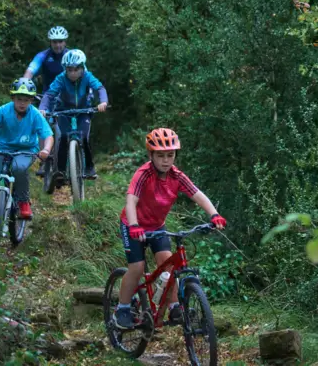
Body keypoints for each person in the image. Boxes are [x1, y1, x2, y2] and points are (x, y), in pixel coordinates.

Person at [112, 128, 227, 330]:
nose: (166, 160)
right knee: (137, 268)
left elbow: (197, 194)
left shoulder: (177, 176)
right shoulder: (143, 174)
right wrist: (134, 225)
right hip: (133, 225)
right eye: (160, 155)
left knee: (169, 265)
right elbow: (131, 201)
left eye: (170, 155)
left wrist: (214, 214)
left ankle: (175, 306)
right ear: (151, 155)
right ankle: (122, 309)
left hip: (157, 227)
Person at [0, 78, 53, 219]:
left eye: (26, 100)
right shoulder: (3, 111)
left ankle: (23, 202)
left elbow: (48, 135)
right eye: (19, 99)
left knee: (19, 167)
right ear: (13, 98)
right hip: (3, 150)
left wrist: (46, 150)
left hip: (26, 150)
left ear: (31, 100)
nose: (22, 103)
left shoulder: (35, 114)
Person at [38, 49, 107, 179]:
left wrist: (103, 102)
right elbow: (49, 94)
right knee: (63, 137)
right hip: (63, 110)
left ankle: (89, 168)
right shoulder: (61, 78)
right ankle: (60, 171)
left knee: (84, 137)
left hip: (83, 111)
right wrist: (43, 108)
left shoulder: (87, 76)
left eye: (76, 69)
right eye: (69, 70)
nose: (73, 73)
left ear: (82, 68)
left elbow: (100, 88)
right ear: (65, 69)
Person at [24, 26, 69, 176]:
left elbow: (84, 72)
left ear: (65, 42)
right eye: (55, 42)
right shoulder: (43, 56)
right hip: (47, 97)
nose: (58, 45)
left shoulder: (71, 56)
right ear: (50, 42)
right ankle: (44, 159)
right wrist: (24, 85)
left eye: (60, 41)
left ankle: (74, 159)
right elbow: (31, 70)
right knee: (43, 124)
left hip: (68, 97)